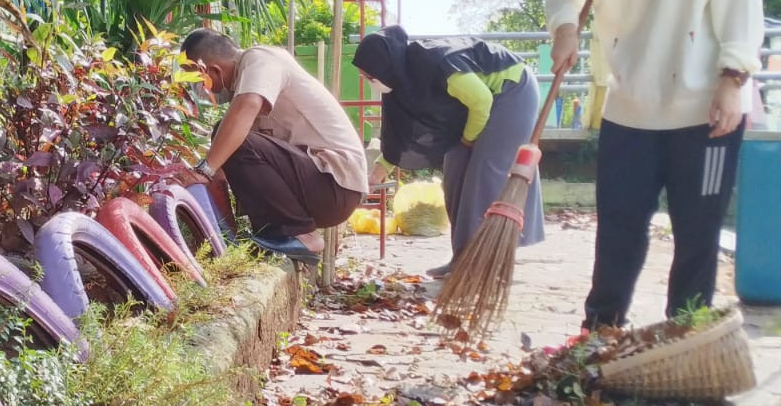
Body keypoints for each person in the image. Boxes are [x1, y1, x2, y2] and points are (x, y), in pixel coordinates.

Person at [546, 0, 762, 329]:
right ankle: (600, 330)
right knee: (618, 227)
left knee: (697, 230)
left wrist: (733, 79)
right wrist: (563, 28)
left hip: (707, 109)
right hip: (630, 108)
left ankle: (686, 334)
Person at [353, 27, 545, 278]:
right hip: (476, 108)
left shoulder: (435, 63)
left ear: (384, 66)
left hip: (511, 91)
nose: (370, 82)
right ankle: (463, 255)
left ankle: (486, 258)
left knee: (485, 171)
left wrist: (467, 139)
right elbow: (397, 137)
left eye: (369, 76)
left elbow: (481, 101)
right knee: (454, 172)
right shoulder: (403, 83)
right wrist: (374, 177)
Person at [178, 29, 366, 263]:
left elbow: (246, 107)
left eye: (196, 80)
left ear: (212, 70)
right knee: (227, 139)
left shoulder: (261, 59)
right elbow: (226, 174)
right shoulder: (244, 86)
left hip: (336, 183)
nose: (200, 90)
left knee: (231, 137)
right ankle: (278, 234)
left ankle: (301, 234)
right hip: (322, 187)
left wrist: (203, 170)